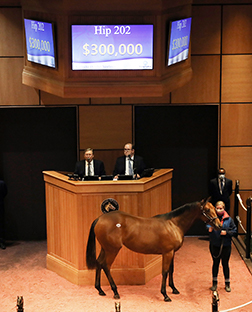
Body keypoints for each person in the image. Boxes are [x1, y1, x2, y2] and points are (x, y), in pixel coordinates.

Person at [207, 201, 237, 292]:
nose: (219, 210)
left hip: (225, 245)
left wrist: (227, 233)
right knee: (215, 263)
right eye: (217, 208)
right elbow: (207, 226)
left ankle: (227, 283)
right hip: (215, 244)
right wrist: (209, 229)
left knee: (225, 264)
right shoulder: (212, 218)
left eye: (221, 208)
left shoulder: (229, 219)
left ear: (224, 209)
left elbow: (235, 231)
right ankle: (214, 283)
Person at [0, 180, 7, 250]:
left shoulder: (1, 183)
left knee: (1, 224)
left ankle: (1, 241)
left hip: (0, 206)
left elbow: (4, 193)